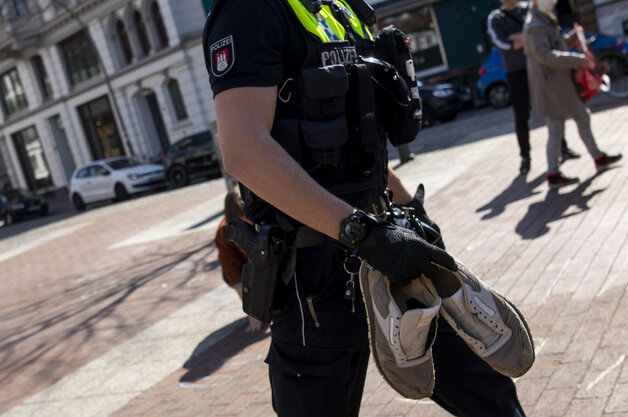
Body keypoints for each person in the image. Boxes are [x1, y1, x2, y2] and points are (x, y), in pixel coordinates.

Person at [203, 0, 527, 415]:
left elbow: (350, 143)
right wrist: (361, 232)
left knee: (487, 391)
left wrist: (409, 206)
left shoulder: (338, 9)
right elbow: (244, 150)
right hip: (315, 274)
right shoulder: (251, 11)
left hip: (390, 242)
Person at [523, 0, 622, 189]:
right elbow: (545, 56)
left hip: (560, 85)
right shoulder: (534, 25)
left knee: (580, 118)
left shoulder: (543, 19)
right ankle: (554, 174)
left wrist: (570, 38)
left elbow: (554, 45)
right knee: (557, 128)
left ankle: (597, 158)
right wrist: (577, 61)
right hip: (553, 88)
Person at [488, 0, 579, 175]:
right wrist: (528, 38)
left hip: (537, 67)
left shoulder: (528, 10)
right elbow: (505, 44)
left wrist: (518, 37)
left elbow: (541, 34)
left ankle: (563, 147)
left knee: (552, 106)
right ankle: (525, 157)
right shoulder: (495, 18)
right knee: (521, 115)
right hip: (517, 71)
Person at [215, 191, 263, 333]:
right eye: (242, 220)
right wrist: (252, 314)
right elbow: (232, 271)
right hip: (246, 267)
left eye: (248, 218)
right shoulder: (224, 232)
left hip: (262, 261)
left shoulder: (261, 218)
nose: (247, 223)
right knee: (235, 276)